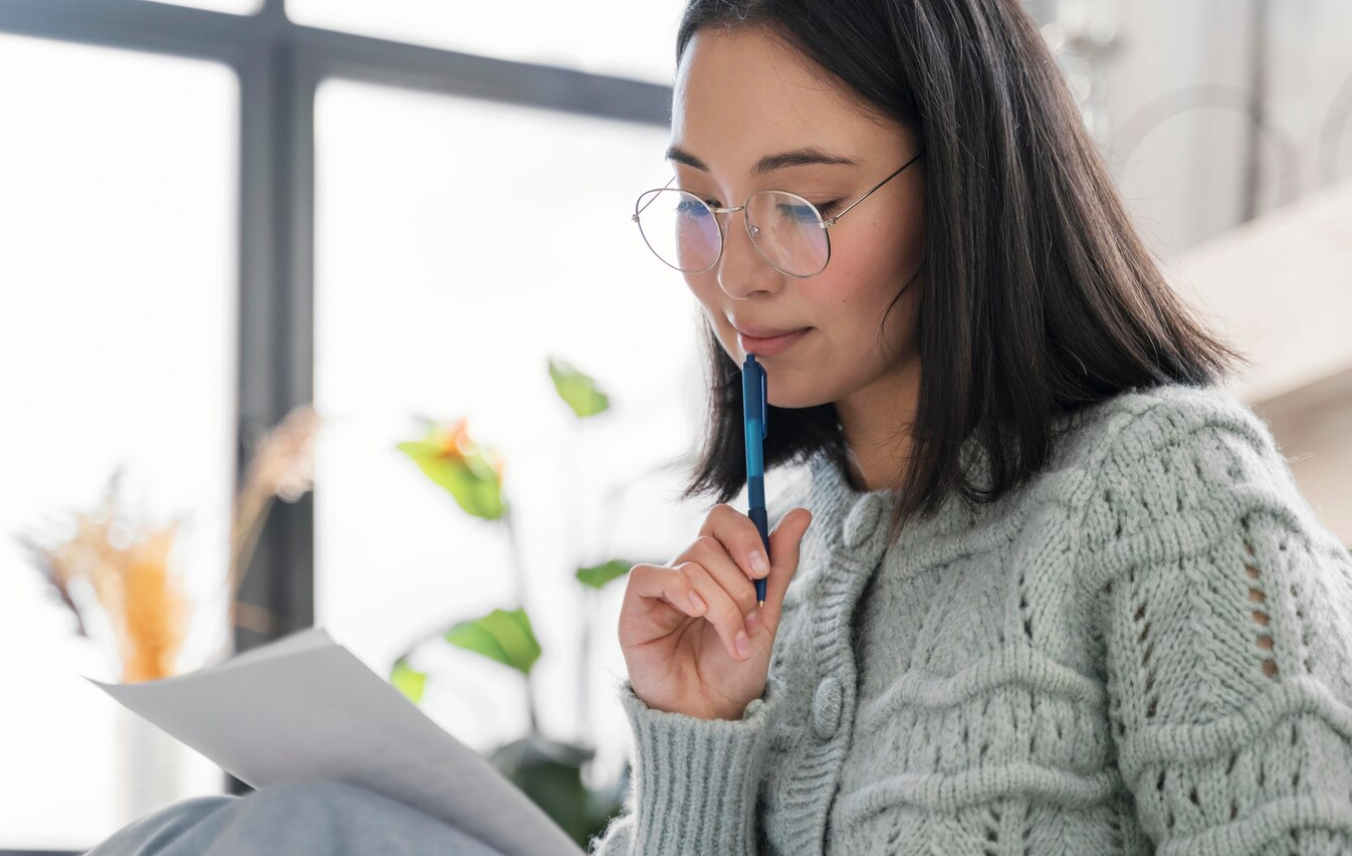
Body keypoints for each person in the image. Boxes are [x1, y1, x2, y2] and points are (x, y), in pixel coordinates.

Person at [88, 0, 1352, 854]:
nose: (733, 274)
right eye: (698, 203)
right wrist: (694, 741)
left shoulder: (1163, 486)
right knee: (224, 830)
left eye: (799, 204)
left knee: (306, 835)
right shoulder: (783, 560)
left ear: (966, 179)